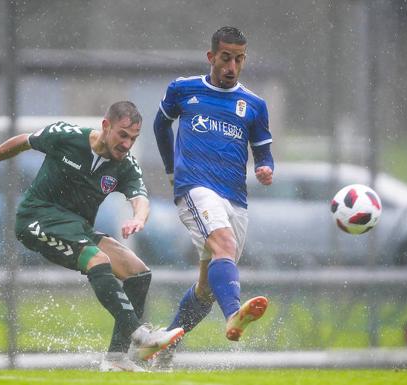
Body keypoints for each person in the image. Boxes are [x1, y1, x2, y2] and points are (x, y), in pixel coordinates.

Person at [0, 101, 184, 372]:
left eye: (133, 138)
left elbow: (140, 197)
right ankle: (141, 336)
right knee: (97, 259)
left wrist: (138, 218)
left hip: (76, 228)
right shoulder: (68, 135)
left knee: (137, 272)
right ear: (106, 126)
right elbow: (24, 141)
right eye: (123, 135)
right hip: (37, 219)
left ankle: (116, 359)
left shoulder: (125, 165)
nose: (127, 144)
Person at [152, 27, 274, 369]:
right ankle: (234, 315)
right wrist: (172, 171)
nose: (232, 66)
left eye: (239, 59)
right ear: (211, 57)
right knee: (223, 245)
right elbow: (160, 126)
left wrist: (265, 169)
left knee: (206, 289)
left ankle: (165, 345)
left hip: (235, 199)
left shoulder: (254, 105)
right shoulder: (183, 89)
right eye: (225, 58)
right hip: (195, 187)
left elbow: (264, 154)